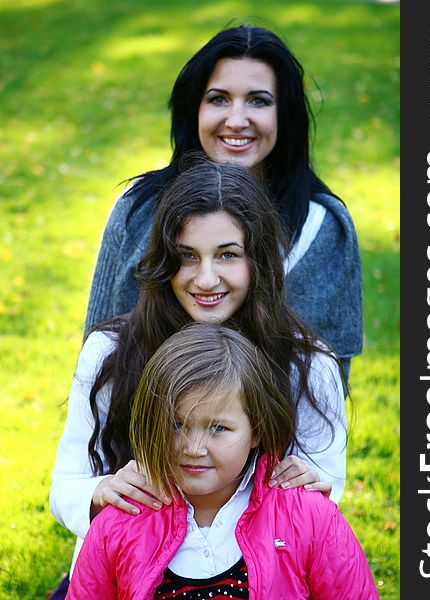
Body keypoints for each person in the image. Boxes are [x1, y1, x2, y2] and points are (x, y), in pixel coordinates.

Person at [50, 161, 348, 594]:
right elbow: (64, 488)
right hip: (127, 575)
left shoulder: (306, 365)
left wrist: (309, 482)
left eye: (227, 254)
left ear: (258, 261)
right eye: (187, 256)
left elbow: (324, 506)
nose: (206, 279)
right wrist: (102, 491)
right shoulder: (111, 352)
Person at [83, 23, 362, 378]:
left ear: (285, 115)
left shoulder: (324, 229)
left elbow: (330, 390)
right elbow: (96, 358)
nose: (236, 120)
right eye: (218, 99)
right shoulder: (138, 211)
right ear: (194, 109)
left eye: (259, 100)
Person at [66, 323, 377, 599]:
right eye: (177, 425)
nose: (193, 448)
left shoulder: (309, 517)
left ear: (256, 430)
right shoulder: (118, 523)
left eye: (218, 428)